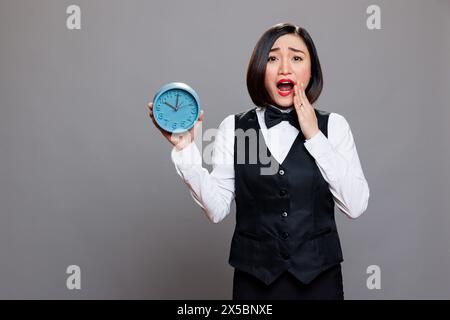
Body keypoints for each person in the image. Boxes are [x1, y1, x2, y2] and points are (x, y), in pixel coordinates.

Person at [148, 22, 369, 300]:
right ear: (259, 69)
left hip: (320, 283)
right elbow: (216, 210)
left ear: (311, 70)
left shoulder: (334, 126)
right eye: (272, 58)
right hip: (254, 284)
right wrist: (185, 150)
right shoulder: (233, 127)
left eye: (297, 58)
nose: (284, 68)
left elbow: (356, 205)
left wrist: (314, 135)